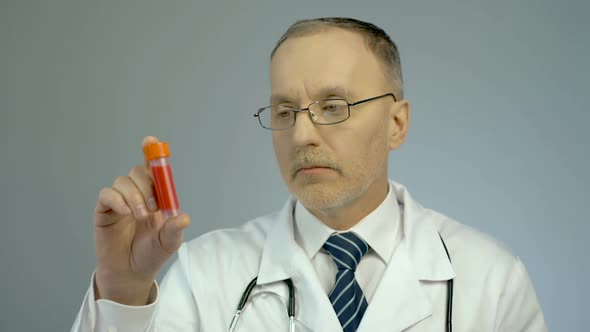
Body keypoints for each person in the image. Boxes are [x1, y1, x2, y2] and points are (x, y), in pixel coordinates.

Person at [71, 17, 547, 331]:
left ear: (396, 123)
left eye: (333, 106)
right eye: (284, 111)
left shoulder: (490, 279)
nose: (301, 135)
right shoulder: (207, 273)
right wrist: (123, 289)